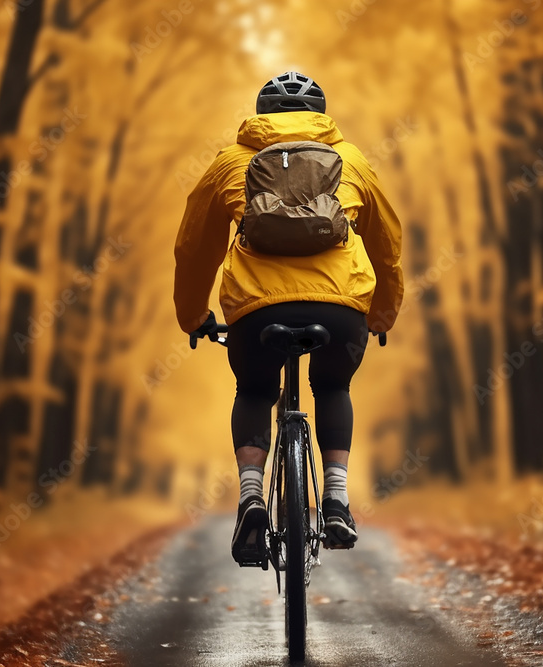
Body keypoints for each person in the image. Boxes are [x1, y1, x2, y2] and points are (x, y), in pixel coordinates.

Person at [173, 71, 404, 563]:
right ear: (321, 114)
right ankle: (337, 499)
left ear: (260, 113)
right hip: (339, 309)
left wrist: (193, 316)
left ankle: (252, 498)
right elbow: (387, 247)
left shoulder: (230, 163)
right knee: (333, 387)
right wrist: (382, 313)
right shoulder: (353, 161)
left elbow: (194, 250)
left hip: (256, 312)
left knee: (256, 390)